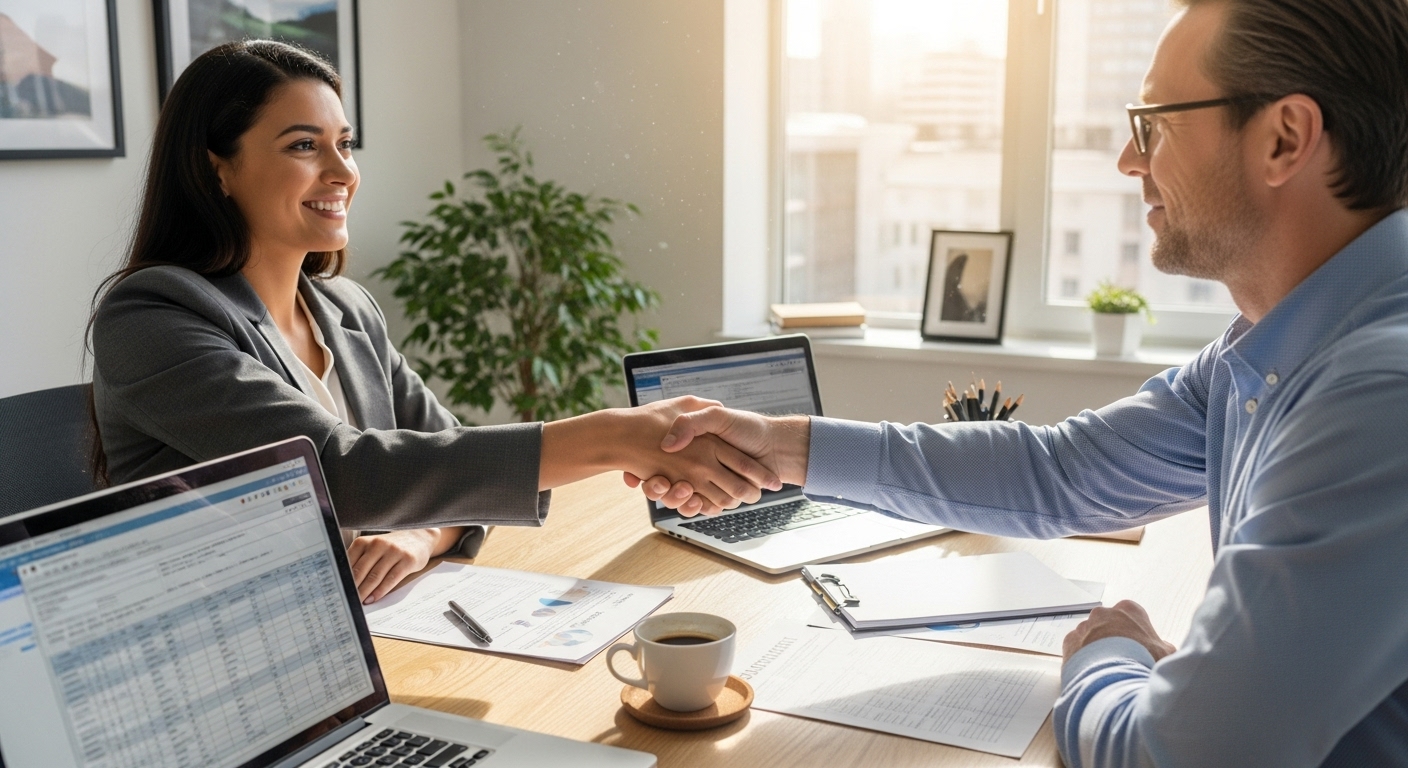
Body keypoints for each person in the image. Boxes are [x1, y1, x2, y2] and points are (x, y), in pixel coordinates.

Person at [630, 0, 1408, 764]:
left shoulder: (1380, 397)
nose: (1129, 161)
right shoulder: (1272, 350)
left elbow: (1175, 755)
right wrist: (787, 447)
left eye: (1156, 125)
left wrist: (1109, 656)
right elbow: (1060, 472)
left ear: (1285, 138)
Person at [89, 41, 775, 605]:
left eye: (345, 143)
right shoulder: (152, 317)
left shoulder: (346, 311)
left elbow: (451, 463)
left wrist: (421, 537)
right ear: (217, 172)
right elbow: (334, 474)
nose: (342, 172)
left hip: (373, 626)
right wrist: (612, 436)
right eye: (304, 145)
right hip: (241, 655)